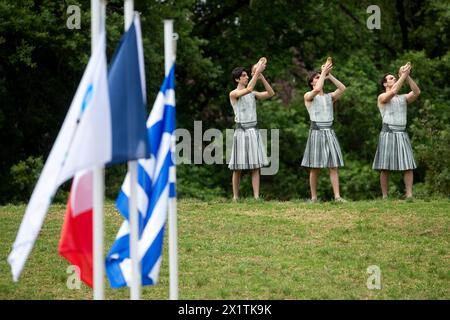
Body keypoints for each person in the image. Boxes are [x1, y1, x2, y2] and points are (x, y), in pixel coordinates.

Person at [373, 62, 421, 199]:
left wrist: (407, 77)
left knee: (408, 165)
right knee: (385, 166)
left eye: (394, 77)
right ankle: (384, 196)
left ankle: (409, 195)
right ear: (384, 84)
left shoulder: (403, 98)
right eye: (390, 78)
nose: (393, 79)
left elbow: (417, 92)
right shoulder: (382, 97)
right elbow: (393, 91)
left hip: (402, 133)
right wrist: (403, 75)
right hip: (388, 133)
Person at [228, 61, 275, 200]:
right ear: (237, 79)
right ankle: (235, 197)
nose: (247, 77)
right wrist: (257, 71)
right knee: (238, 166)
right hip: (241, 131)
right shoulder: (234, 93)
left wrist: (261, 77)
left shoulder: (253, 93)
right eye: (243, 76)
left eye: (247, 75)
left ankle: (256, 197)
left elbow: (271, 93)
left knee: (255, 165)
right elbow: (247, 90)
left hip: (253, 131)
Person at [301, 60, 347, 202]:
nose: (319, 78)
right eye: (316, 77)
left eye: (319, 76)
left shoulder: (329, 97)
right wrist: (323, 75)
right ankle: (314, 198)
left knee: (333, 166)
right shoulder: (308, 95)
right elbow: (317, 89)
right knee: (315, 167)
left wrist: (329, 75)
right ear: (311, 82)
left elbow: (342, 88)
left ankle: (337, 197)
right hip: (316, 132)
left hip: (329, 131)